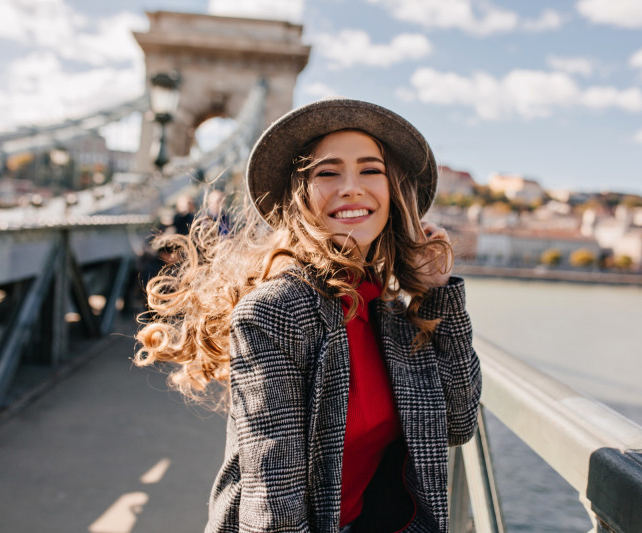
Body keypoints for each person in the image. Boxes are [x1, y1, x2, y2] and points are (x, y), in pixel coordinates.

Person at [135, 98, 481, 532]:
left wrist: (438, 293)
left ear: (393, 193)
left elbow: (458, 421)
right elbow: (274, 509)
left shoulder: (387, 308)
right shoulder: (275, 312)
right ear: (301, 199)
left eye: (371, 170)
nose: (352, 187)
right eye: (328, 172)